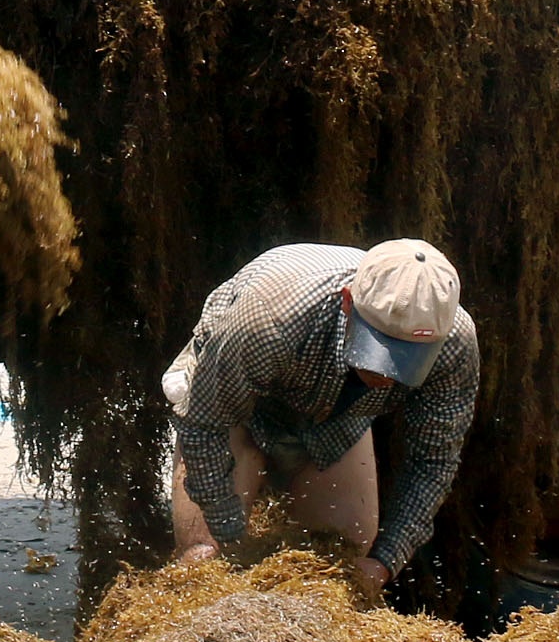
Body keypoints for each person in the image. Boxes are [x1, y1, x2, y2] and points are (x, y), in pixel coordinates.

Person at [167, 240, 477, 604]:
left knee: (342, 564)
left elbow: (433, 461)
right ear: (348, 302)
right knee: (206, 560)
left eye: (409, 358)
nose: (388, 375)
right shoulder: (269, 319)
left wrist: (383, 561)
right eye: (380, 347)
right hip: (240, 409)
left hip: (336, 421)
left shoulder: (454, 344)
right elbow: (204, 424)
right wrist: (232, 538)